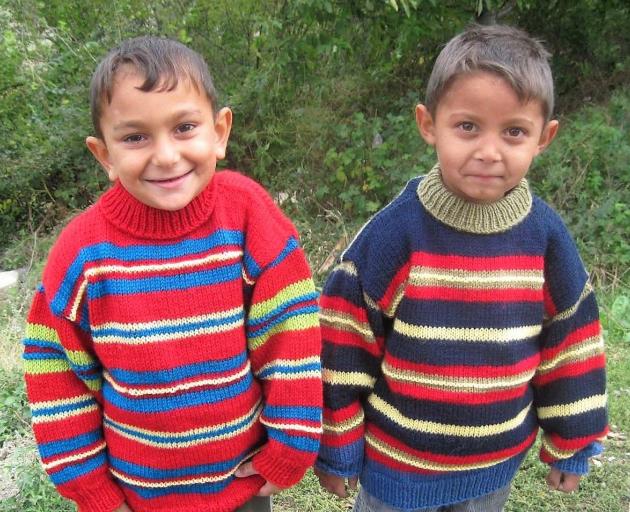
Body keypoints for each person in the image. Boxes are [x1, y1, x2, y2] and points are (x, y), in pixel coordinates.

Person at [314, 24, 608, 512]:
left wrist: (572, 440)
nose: (489, 151)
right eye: (467, 126)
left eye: (513, 131)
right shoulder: (395, 235)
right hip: (397, 470)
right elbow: (343, 344)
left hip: (493, 467)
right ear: (429, 124)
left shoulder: (546, 240)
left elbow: (571, 342)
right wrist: (337, 445)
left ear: (544, 137)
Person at [22, 36, 322, 512]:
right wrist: (93, 492)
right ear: (104, 155)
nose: (165, 155)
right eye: (135, 136)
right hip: (137, 497)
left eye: (184, 127)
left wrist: (290, 446)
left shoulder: (247, 218)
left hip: (241, 486)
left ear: (219, 131)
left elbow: (290, 337)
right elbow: (58, 376)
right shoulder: (82, 253)